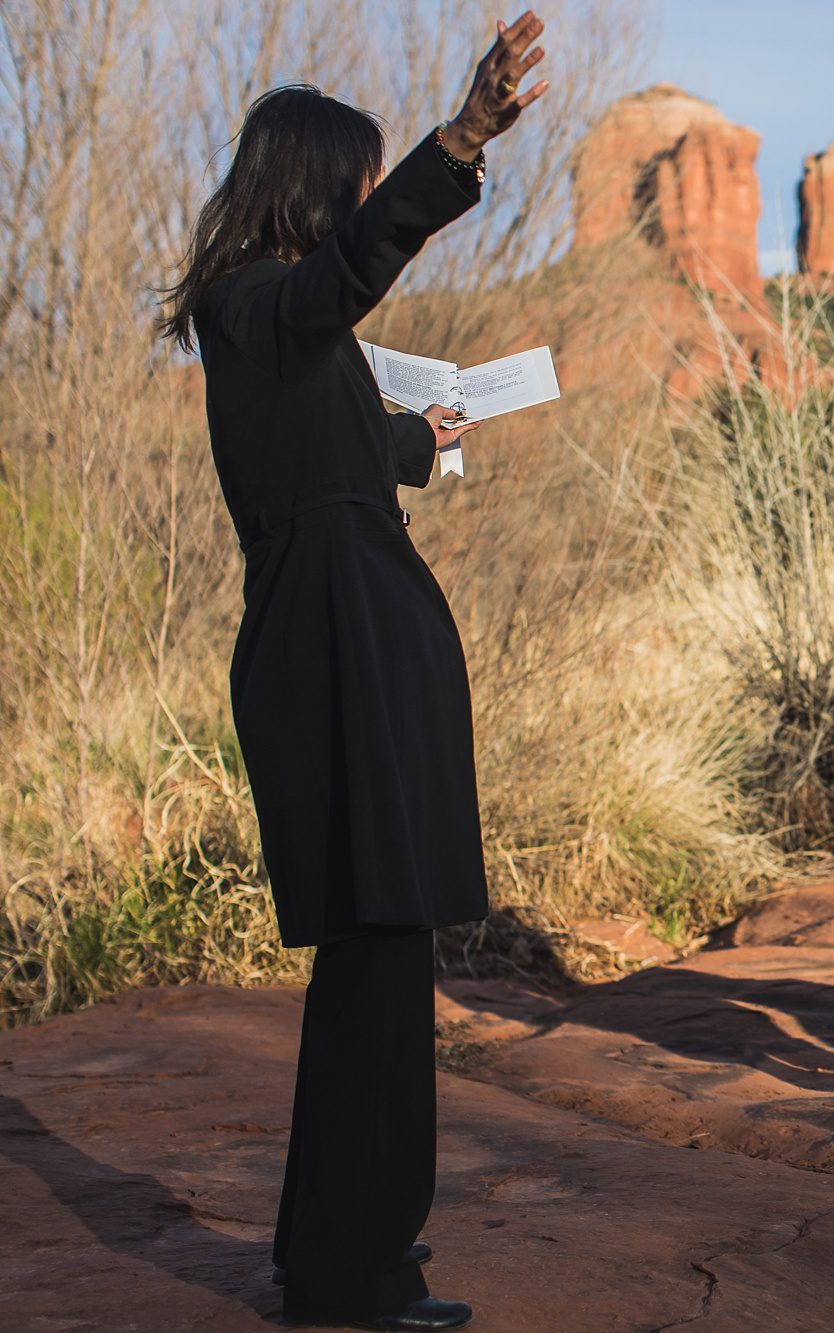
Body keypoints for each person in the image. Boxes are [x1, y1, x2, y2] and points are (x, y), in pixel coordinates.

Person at [156, 14, 549, 1329]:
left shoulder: (277, 329)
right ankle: (345, 1277)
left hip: (355, 640)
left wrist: (413, 437)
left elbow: (327, 448)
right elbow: (348, 278)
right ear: (318, 188)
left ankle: (356, 1254)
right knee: (376, 957)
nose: (365, 204)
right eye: (358, 181)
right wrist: (464, 139)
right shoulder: (257, 302)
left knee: (385, 958)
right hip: (336, 649)